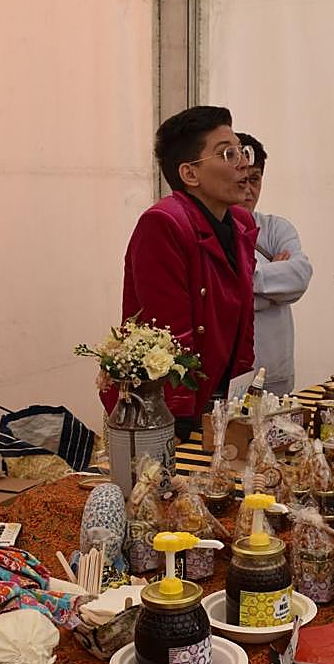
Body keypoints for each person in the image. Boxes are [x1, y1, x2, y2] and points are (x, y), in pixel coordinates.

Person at [103, 106, 258, 440]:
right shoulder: (164, 223)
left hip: (220, 396)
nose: (244, 163)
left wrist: (240, 398)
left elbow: (245, 319)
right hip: (165, 404)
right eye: (227, 154)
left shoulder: (242, 223)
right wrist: (181, 418)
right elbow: (170, 331)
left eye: (241, 150)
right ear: (190, 174)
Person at [237, 133, 313, 395]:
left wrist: (241, 283)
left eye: (255, 179)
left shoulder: (276, 228)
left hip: (274, 374)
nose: (248, 188)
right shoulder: (203, 231)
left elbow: (300, 276)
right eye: (241, 179)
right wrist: (273, 292)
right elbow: (216, 295)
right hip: (227, 378)